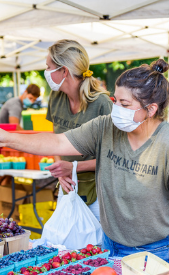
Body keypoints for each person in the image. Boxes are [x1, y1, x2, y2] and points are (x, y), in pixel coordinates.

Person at [0, 58, 169, 269]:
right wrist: (5, 137)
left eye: (125, 104)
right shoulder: (106, 127)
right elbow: (57, 142)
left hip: (156, 249)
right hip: (110, 241)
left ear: (151, 109)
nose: (116, 109)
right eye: (115, 101)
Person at [44, 39, 112, 221]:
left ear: (63, 71)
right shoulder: (55, 97)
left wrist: (72, 167)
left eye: (48, 67)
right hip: (67, 186)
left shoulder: (101, 104)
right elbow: (55, 139)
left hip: (98, 192)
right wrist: (61, 173)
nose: (46, 72)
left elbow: (113, 157)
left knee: (95, 248)